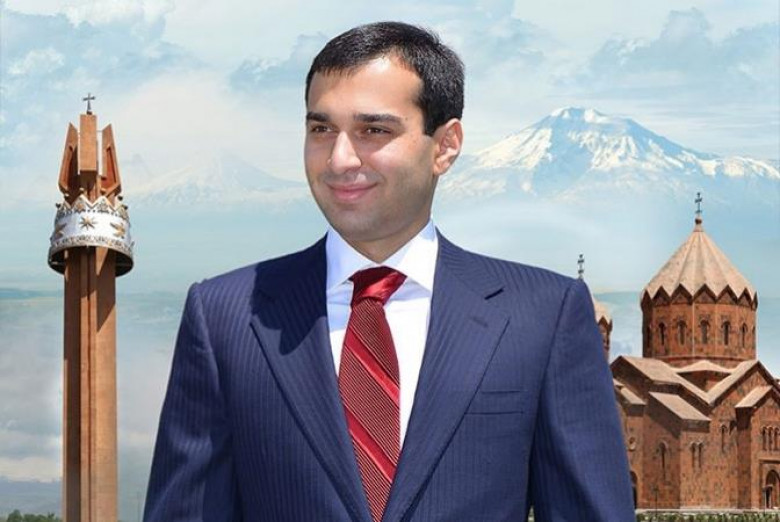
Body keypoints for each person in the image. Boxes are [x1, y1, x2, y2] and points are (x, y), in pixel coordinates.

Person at [144, 21, 634, 521]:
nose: (339, 159)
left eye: (373, 130)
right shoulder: (226, 316)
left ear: (445, 145)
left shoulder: (541, 316)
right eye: (321, 130)